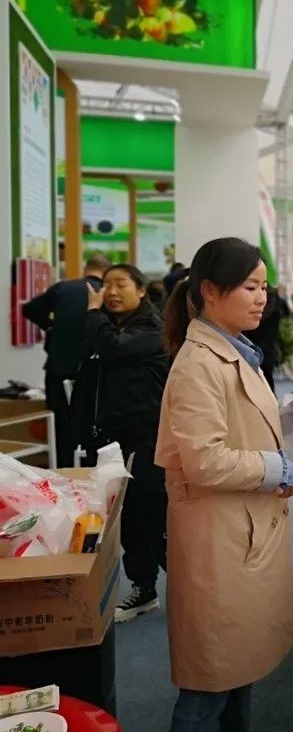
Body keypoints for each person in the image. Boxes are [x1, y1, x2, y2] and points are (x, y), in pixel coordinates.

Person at [158, 238, 293, 731]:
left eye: (264, 286)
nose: (262, 297)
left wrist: (289, 413)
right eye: (250, 286)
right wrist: (280, 468)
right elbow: (204, 459)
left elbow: (239, 420)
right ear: (211, 291)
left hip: (236, 531)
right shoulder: (200, 361)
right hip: (218, 537)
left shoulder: (232, 349)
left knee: (234, 666)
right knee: (209, 683)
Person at [81, 264, 170, 622]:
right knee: (130, 518)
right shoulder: (115, 325)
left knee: (154, 517)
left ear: (142, 290)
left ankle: (192, 588)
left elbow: (113, 348)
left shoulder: (152, 329)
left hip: (146, 440)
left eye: (121, 284)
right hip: (116, 441)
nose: (111, 292)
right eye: (106, 285)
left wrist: (92, 312)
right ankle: (144, 589)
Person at [22, 253, 111, 468]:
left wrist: (50, 325)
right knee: (94, 420)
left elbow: (29, 308)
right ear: (107, 271)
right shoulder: (109, 294)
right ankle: (92, 468)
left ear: (85, 268)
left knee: (60, 421)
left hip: (59, 365)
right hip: (94, 369)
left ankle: (63, 469)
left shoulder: (63, 288)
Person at [243, 285, 289, 392]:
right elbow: (286, 315)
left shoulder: (256, 303)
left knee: (257, 381)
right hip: (268, 346)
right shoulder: (278, 301)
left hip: (254, 345)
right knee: (267, 380)